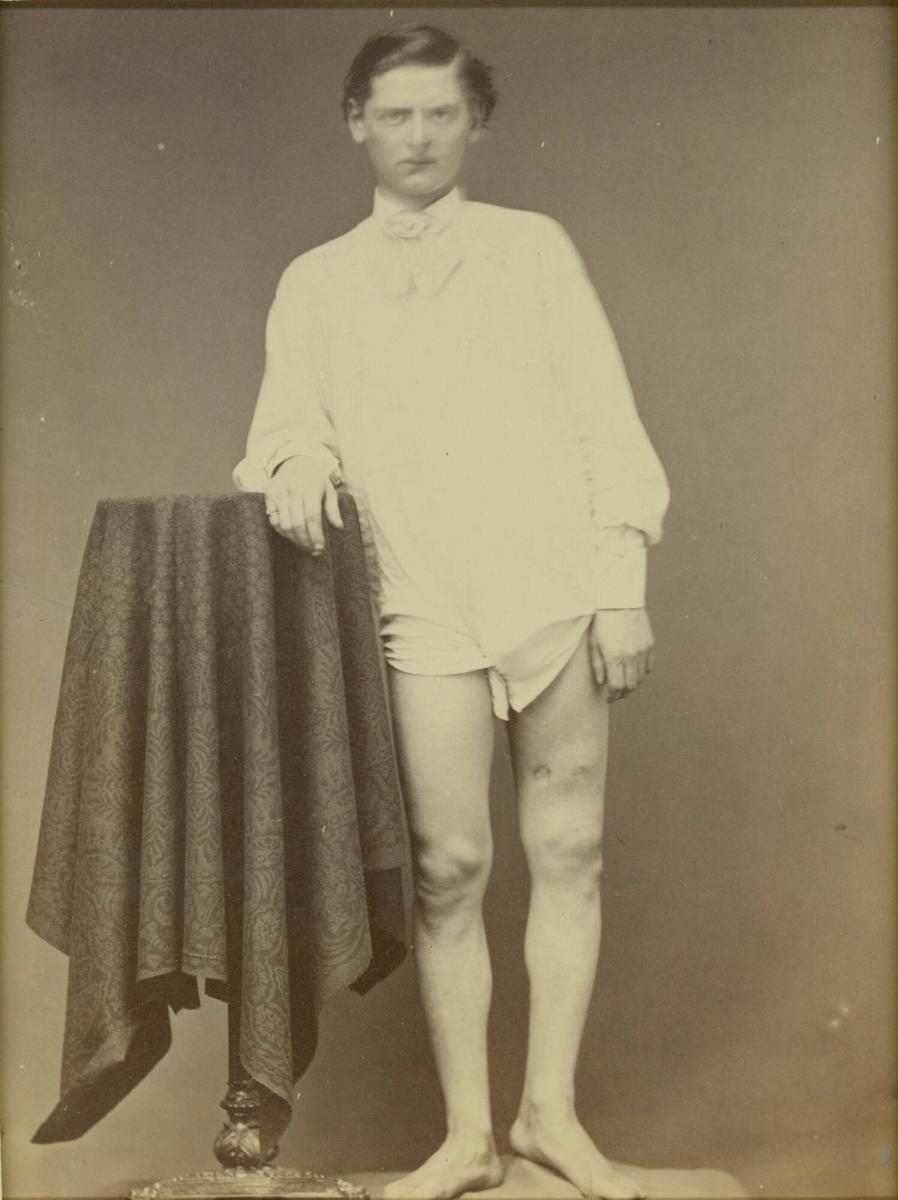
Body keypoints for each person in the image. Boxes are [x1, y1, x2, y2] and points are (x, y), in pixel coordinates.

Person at [234, 23, 669, 1200]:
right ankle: (468, 1137)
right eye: (395, 114)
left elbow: (603, 421)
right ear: (356, 124)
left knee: (567, 849)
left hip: (553, 586)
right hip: (420, 598)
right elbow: (286, 424)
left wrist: (618, 590)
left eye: (440, 113)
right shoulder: (317, 280)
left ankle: (549, 1118)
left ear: (475, 121)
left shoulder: (534, 249)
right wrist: (298, 463)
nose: (418, 137)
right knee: (448, 867)